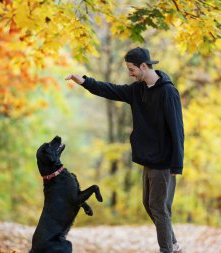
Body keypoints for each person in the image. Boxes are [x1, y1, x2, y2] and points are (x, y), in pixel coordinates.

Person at [65, 47, 184, 253]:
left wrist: (177, 164)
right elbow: (110, 89)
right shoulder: (137, 90)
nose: (130, 73)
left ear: (144, 66)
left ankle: (167, 250)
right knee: (149, 205)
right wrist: (84, 81)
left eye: (132, 69)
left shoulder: (168, 92)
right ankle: (173, 245)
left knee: (158, 207)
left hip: (164, 161)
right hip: (149, 160)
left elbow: (177, 129)